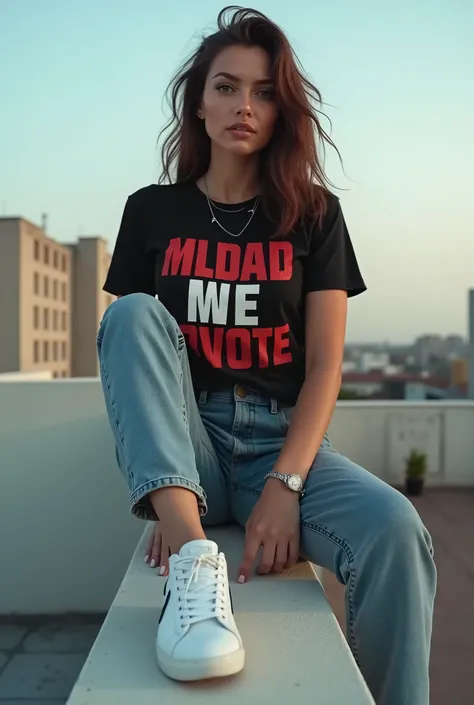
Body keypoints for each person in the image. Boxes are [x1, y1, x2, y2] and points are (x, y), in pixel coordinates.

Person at [97, 6, 436, 704]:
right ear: (198, 102)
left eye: (262, 91)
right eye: (225, 86)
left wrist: (286, 486)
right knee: (129, 313)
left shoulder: (314, 214)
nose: (242, 106)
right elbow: (130, 356)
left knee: (397, 531)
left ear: (283, 110)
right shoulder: (151, 211)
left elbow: (324, 367)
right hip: (187, 448)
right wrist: (170, 503)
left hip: (278, 446)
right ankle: (195, 558)